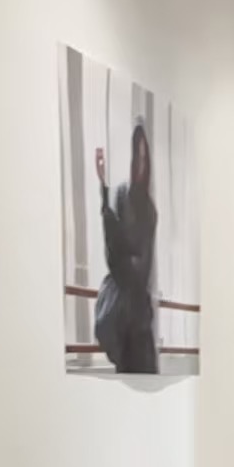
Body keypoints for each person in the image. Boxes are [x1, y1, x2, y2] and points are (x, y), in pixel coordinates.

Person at [94, 121, 159, 374]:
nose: (141, 165)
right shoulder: (122, 196)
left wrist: (129, 259)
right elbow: (114, 250)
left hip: (140, 318)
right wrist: (103, 187)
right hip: (126, 320)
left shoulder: (150, 210)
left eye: (144, 158)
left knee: (146, 372)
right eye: (137, 157)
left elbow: (142, 264)